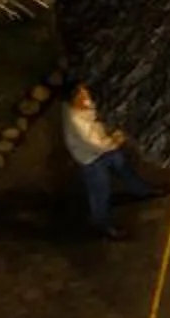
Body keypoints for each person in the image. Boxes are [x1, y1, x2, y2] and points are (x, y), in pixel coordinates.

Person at [62, 86, 158, 238]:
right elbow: (100, 144)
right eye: (81, 95)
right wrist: (120, 136)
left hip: (104, 144)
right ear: (74, 101)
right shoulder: (78, 122)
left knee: (124, 168)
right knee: (100, 190)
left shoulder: (80, 105)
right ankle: (101, 223)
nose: (86, 96)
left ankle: (142, 190)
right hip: (92, 157)